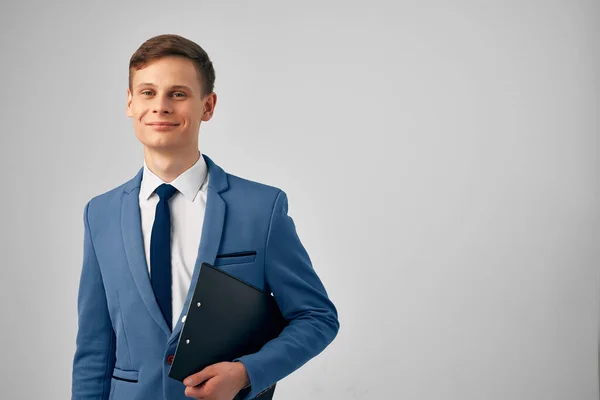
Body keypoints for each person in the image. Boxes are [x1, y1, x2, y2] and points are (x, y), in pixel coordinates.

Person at [71, 34, 340, 400]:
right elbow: (94, 350)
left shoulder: (261, 209)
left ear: (207, 106)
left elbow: (317, 317)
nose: (161, 106)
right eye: (148, 93)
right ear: (130, 103)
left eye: (178, 94)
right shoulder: (99, 214)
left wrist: (246, 374)